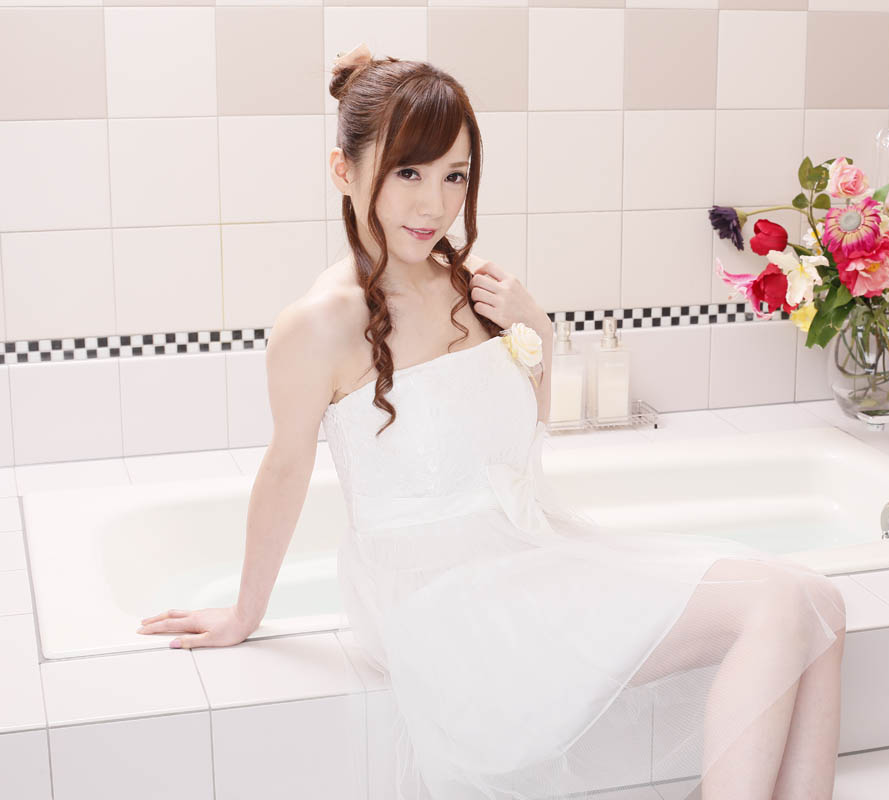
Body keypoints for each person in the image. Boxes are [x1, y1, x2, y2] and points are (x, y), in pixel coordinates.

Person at [137, 44, 847, 800]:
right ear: (344, 170)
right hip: (445, 605)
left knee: (822, 602)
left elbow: (518, 440)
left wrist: (535, 330)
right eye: (408, 172)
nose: (434, 205)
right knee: (777, 603)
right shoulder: (317, 325)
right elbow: (284, 469)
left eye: (455, 176)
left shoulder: (471, 286)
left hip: (530, 557)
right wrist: (246, 613)